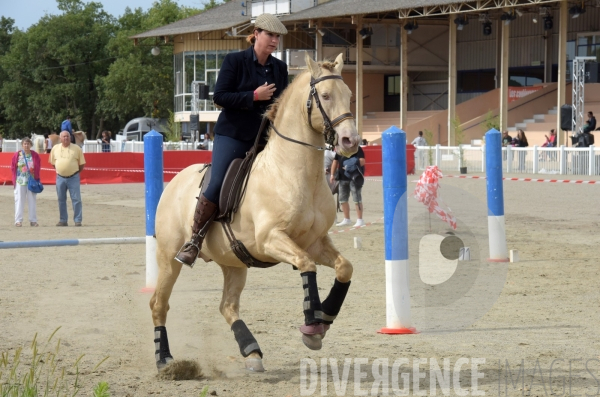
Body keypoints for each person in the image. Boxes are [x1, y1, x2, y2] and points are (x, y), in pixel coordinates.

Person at [175, 13, 289, 267]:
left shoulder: (279, 68)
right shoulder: (235, 61)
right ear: (256, 33)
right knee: (216, 183)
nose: (275, 40)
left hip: (267, 137)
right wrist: (253, 96)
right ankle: (194, 240)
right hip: (234, 134)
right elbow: (220, 97)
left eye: (278, 37)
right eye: (270, 35)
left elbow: (283, 103)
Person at [49, 131, 86, 226]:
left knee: (76, 199)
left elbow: (82, 164)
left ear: (70, 138)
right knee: (61, 199)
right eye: (64, 136)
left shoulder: (77, 148)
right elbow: (53, 163)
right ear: (60, 138)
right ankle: (63, 220)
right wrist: (61, 170)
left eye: (67, 136)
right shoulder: (55, 148)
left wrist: (75, 171)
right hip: (60, 178)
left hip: (73, 177)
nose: (66, 138)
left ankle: (78, 220)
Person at [330, 145, 366, 228]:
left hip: (354, 178)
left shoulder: (357, 148)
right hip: (342, 178)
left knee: (357, 199)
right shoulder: (339, 149)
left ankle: (360, 220)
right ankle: (347, 219)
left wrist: (351, 166)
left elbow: (362, 161)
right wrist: (332, 174)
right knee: (342, 199)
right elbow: (335, 161)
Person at [10, 137, 41, 227]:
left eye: (28, 143)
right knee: (19, 200)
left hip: (31, 181)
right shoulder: (17, 155)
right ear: (22, 145)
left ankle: (33, 220)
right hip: (20, 181)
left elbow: (38, 167)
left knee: (32, 201)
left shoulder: (35, 155)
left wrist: (36, 178)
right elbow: (12, 167)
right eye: (25, 144)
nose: (26, 145)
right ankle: (18, 220)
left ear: (31, 145)